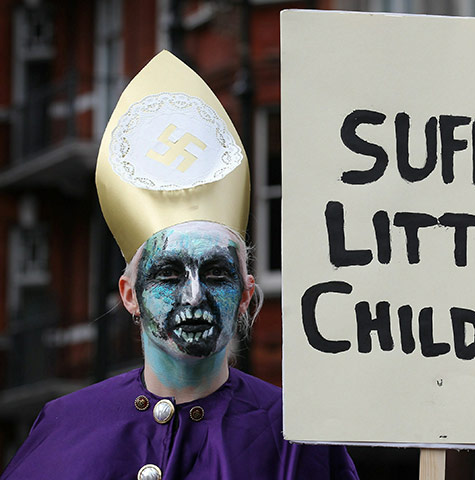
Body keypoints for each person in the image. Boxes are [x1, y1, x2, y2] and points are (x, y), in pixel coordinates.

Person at [1, 51, 359, 479]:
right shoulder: (63, 428)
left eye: (216, 274)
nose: (194, 295)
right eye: (168, 274)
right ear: (130, 295)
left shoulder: (296, 440)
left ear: (245, 294)